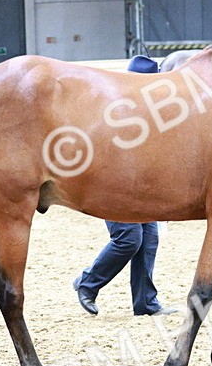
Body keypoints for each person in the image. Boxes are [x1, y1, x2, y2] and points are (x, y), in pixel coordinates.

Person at [73, 55, 178, 317]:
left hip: (142, 189)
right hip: (112, 185)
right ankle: (87, 283)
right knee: (129, 238)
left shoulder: (156, 114)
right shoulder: (111, 110)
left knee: (149, 239)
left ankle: (145, 302)